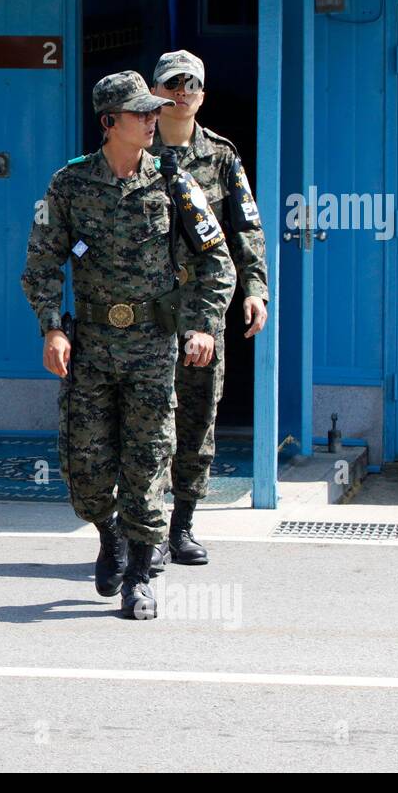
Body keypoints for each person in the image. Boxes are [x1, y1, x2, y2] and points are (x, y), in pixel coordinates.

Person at [20, 71, 229, 619]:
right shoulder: (68, 185)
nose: (154, 119)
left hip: (151, 348)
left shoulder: (173, 180)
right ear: (110, 121)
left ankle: (140, 570)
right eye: (142, 113)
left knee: (147, 461)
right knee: (85, 471)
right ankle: (107, 531)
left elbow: (216, 259)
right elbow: (41, 263)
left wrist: (203, 323)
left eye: (155, 111)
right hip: (89, 346)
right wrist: (52, 327)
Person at [149, 50, 268, 571]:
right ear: (153, 91)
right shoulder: (132, 147)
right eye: (171, 84)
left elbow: (245, 227)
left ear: (203, 93)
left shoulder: (221, 156)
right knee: (145, 422)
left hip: (201, 310)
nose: (181, 93)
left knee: (197, 418)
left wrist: (255, 288)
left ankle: (183, 525)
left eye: (190, 84)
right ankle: (145, 529)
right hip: (144, 312)